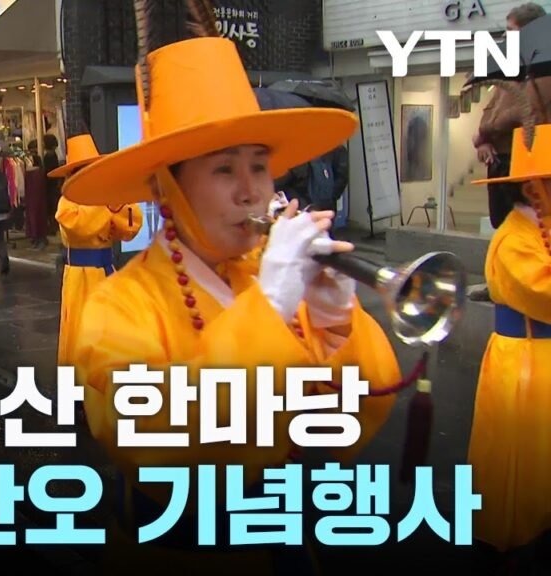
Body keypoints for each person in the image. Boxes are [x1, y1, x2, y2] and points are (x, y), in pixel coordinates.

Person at [60, 25, 401, 573]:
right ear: (169, 189)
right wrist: (270, 304)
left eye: (259, 166)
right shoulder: (116, 305)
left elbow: (355, 424)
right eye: (224, 169)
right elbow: (155, 445)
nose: (252, 190)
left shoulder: (271, 280)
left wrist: (337, 319)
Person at [467, 118, 551, 570]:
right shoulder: (513, 239)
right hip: (523, 361)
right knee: (517, 475)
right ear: (533, 187)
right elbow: (544, 293)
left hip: (543, 361)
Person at [471, 2, 550, 301]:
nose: (507, 38)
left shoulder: (540, 68)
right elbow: (490, 113)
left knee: (531, 222)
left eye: (511, 31)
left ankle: (523, 287)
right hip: (502, 157)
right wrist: (483, 139)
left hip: (529, 156)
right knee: (502, 221)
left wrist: (486, 132)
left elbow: (523, 111)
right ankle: (499, 284)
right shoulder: (509, 69)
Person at [49, 134, 143, 367]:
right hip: (81, 277)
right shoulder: (68, 201)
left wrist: (115, 201)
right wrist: (106, 205)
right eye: (84, 169)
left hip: (106, 271)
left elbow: (130, 227)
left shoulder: (104, 197)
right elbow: (80, 227)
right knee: (82, 327)